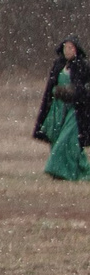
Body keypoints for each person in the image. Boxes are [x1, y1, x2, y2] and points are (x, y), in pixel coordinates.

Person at [33, 40, 90, 182]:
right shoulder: (58, 65)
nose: (67, 50)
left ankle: (59, 170)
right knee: (57, 138)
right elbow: (50, 88)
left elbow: (85, 89)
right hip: (58, 108)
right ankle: (65, 173)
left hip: (75, 111)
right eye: (65, 47)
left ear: (76, 49)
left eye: (70, 47)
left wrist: (73, 93)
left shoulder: (82, 66)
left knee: (67, 141)